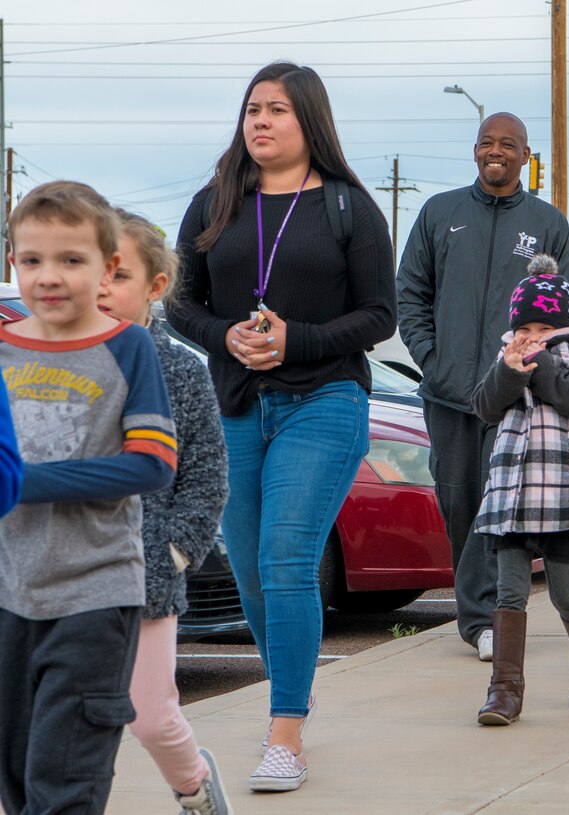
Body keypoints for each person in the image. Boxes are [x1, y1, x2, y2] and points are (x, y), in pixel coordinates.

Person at [169, 62, 396, 791]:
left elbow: (379, 314)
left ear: (310, 122)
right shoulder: (214, 203)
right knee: (252, 574)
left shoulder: (348, 207)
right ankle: (292, 692)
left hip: (324, 400)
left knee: (287, 559)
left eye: (277, 111)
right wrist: (223, 335)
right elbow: (179, 301)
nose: (260, 122)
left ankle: (285, 731)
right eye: (252, 110)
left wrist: (297, 339)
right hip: (234, 404)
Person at [0, 181, 176, 814]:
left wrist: (24, 484)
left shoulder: (128, 348)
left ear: (106, 268)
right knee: (17, 786)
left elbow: (153, 464)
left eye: (71, 260)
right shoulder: (2, 349)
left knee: (63, 785)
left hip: (95, 596)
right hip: (9, 595)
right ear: (12, 262)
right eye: (32, 260)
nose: (51, 276)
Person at [397, 112, 569, 660]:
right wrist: (434, 361)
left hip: (515, 395)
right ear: (475, 151)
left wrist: (532, 366)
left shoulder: (548, 222)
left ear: (527, 156)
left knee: (508, 507)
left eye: (507, 145)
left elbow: (563, 309)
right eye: (485, 143)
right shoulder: (438, 212)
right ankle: (477, 618)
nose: (494, 152)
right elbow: (410, 294)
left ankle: (495, 619)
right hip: (449, 396)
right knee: (461, 505)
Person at [99, 210, 232, 814]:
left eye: (118, 273)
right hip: (58, 576)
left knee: (151, 719)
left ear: (154, 287)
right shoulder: (49, 365)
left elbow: (206, 475)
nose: (99, 285)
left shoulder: (178, 369)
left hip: (146, 574)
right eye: (89, 267)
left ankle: (194, 787)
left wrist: (173, 551)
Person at [474, 257, 569, 725]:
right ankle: (504, 692)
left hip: (562, 494)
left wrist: (543, 364)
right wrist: (510, 372)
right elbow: (485, 408)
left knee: (566, 594)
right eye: (524, 326)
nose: (532, 334)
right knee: (510, 592)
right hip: (511, 495)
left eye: (543, 325)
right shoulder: (505, 355)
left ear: (563, 324)